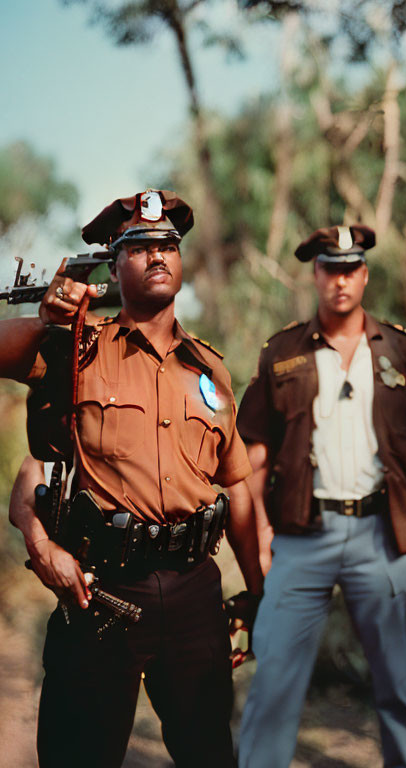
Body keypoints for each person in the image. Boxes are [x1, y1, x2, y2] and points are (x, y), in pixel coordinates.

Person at [2, 189, 263, 768]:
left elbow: (238, 487)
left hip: (197, 591)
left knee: (209, 753)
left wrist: (260, 592)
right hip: (102, 589)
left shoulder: (209, 369)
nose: (157, 255)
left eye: (167, 244)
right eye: (140, 246)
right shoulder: (75, 347)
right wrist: (45, 317)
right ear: (112, 267)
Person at [235, 224, 406, 768]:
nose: (340, 280)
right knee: (275, 678)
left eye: (350, 269)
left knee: (398, 680)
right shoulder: (281, 350)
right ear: (315, 274)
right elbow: (255, 455)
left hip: (381, 534)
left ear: (364, 274)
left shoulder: (400, 349)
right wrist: (259, 529)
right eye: (329, 269)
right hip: (300, 536)